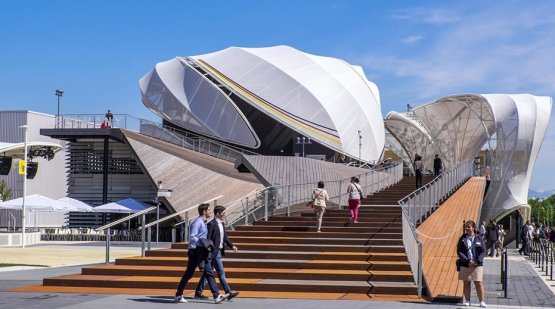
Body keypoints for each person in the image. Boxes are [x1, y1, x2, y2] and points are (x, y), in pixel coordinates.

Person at [174, 203, 229, 303]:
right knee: (189, 274)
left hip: (201, 251)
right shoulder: (197, 222)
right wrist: (203, 242)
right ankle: (178, 294)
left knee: (208, 272)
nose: (210, 212)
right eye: (209, 210)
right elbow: (193, 237)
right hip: (195, 251)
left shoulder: (204, 222)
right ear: (204, 212)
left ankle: (216, 296)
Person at [195, 205, 240, 301]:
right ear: (218, 213)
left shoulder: (221, 224)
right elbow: (209, 239)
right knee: (221, 273)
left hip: (218, 251)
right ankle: (229, 292)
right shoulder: (211, 224)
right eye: (223, 212)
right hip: (213, 252)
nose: (224, 214)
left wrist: (232, 246)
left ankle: (198, 292)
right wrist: (209, 251)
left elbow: (225, 238)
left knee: (208, 273)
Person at [457, 220, 487, 308]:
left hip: (477, 264)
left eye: (469, 227)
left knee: (478, 283)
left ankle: (481, 301)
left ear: (473, 228)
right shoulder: (462, 239)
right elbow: (459, 251)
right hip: (466, 264)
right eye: (466, 227)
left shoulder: (479, 238)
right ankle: (467, 300)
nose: (467, 228)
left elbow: (483, 251)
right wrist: (467, 260)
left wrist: (477, 261)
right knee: (466, 283)